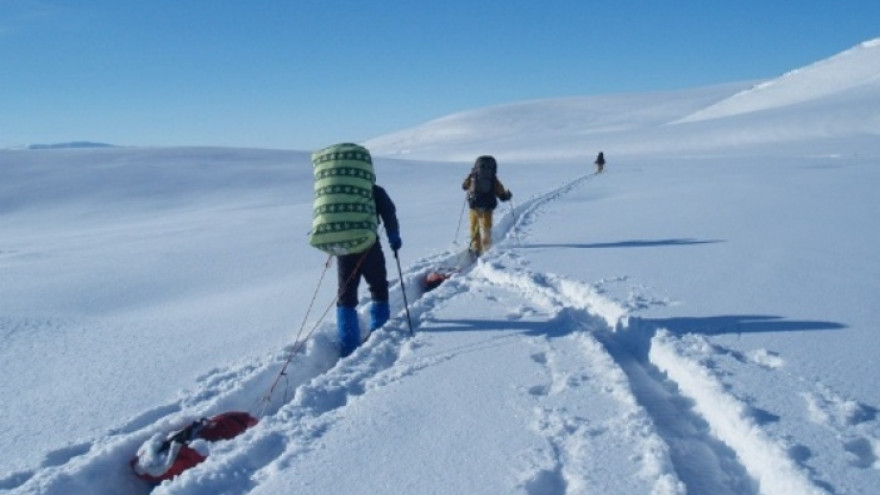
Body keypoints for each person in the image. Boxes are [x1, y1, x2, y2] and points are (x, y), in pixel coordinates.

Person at [335, 183, 401, 357]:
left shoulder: (338, 190)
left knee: (346, 293)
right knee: (378, 286)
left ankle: (348, 346)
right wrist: (393, 237)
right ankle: (378, 332)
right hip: (369, 246)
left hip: (344, 248)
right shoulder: (374, 190)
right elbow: (389, 213)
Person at [461, 155, 512, 256]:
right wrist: (507, 195)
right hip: (487, 206)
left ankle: (476, 247)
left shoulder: (473, 175)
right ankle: (486, 247)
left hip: (474, 205)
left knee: (474, 226)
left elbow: (464, 186)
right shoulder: (493, 178)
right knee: (486, 227)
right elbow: (501, 195)